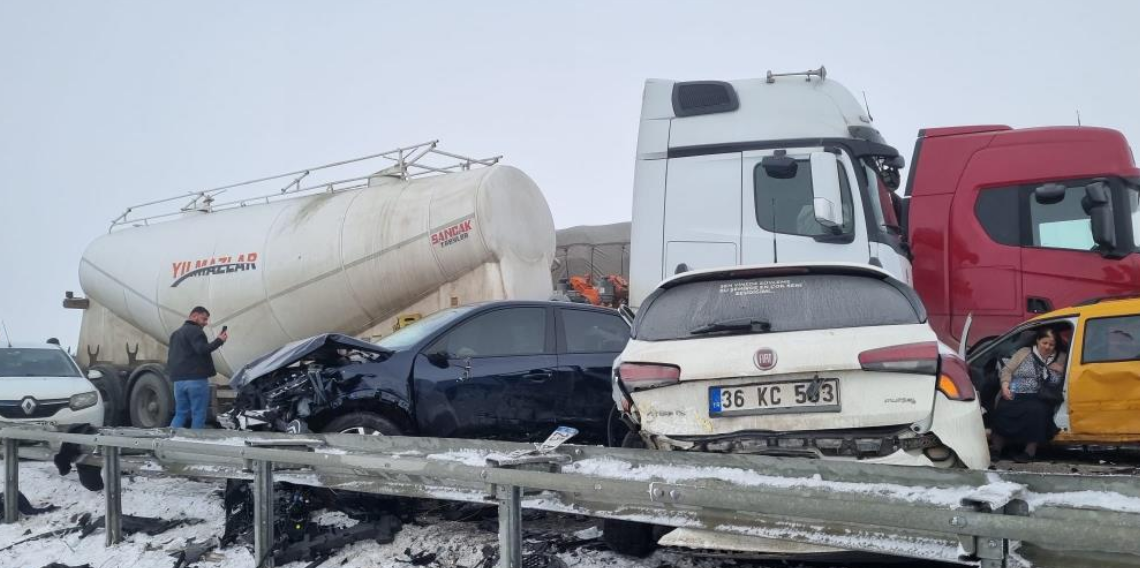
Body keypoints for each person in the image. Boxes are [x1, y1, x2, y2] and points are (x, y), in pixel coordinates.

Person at [990, 328, 1066, 462]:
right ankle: (996, 449)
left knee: (1038, 411)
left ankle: (1029, 452)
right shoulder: (1024, 353)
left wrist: (1061, 371)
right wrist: (1005, 384)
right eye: (1044, 343)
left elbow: (1067, 378)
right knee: (1004, 408)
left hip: (1041, 397)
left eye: (1051, 344)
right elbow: (1007, 370)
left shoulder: (1061, 357)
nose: (1047, 347)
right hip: (1016, 393)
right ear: (1037, 341)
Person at [168, 306, 228, 429]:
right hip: (196, 380)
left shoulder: (175, 334)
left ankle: (170, 442)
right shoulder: (196, 331)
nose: (206, 323)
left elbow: (171, 357)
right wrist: (219, 340)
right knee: (198, 414)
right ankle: (195, 443)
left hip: (178, 382)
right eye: (204, 319)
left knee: (180, 413)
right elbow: (202, 349)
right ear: (194, 316)